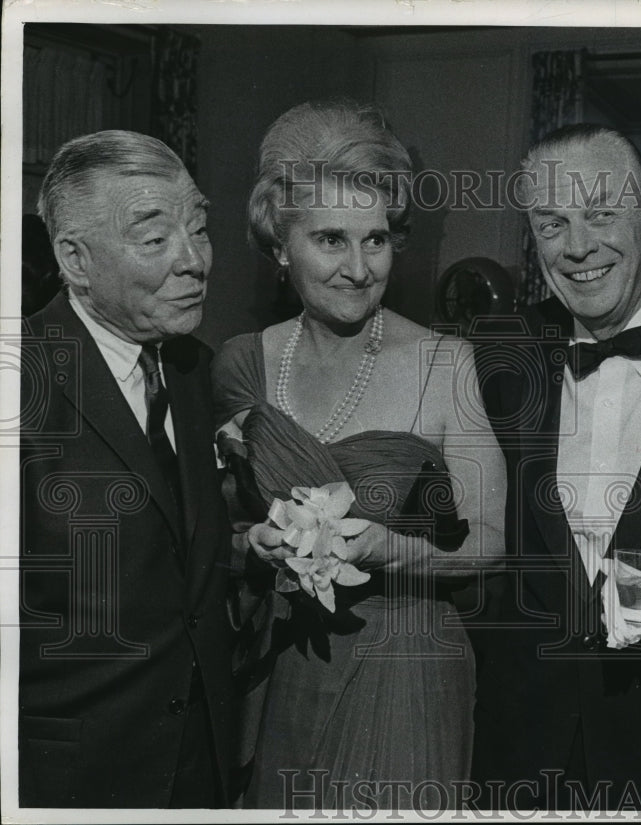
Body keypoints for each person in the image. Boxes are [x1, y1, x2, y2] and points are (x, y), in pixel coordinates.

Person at [211, 99, 506, 811]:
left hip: (405, 669)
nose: (358, 267)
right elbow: (205, 537)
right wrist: (254, 542)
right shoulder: (239, 365)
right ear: (281, 246)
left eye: (376, 239)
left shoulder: (443, 362)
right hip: (280, 665)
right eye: (330, 240)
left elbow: (493, 542)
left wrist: (394, 551)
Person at [470, 124, 641, 811]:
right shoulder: (498, 356)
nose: (577, 246)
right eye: (552, 222)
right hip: (518, 754)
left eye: (601, 213)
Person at [19, 131, 233, 807]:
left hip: (200, 768)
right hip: (68, 781)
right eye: (155, 239)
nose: (194, 260)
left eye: (199, 229)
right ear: (75, 259)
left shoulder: (194, 369)